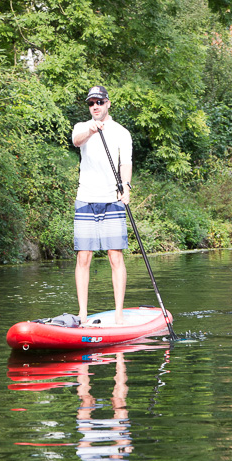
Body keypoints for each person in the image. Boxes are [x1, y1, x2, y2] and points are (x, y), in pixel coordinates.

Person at [72, 85, 133, 325]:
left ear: (108, 103)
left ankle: (119, 313)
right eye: (91, 103)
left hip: (112, 199)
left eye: (99, 101)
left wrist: (126, 187)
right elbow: (77, 141)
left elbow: (125, 163)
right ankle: (83, 313)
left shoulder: (121, 132)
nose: (95, 106)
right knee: (83, 257)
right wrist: (91, 130)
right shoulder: (81, 127)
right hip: (86, 198)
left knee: (115, 256)